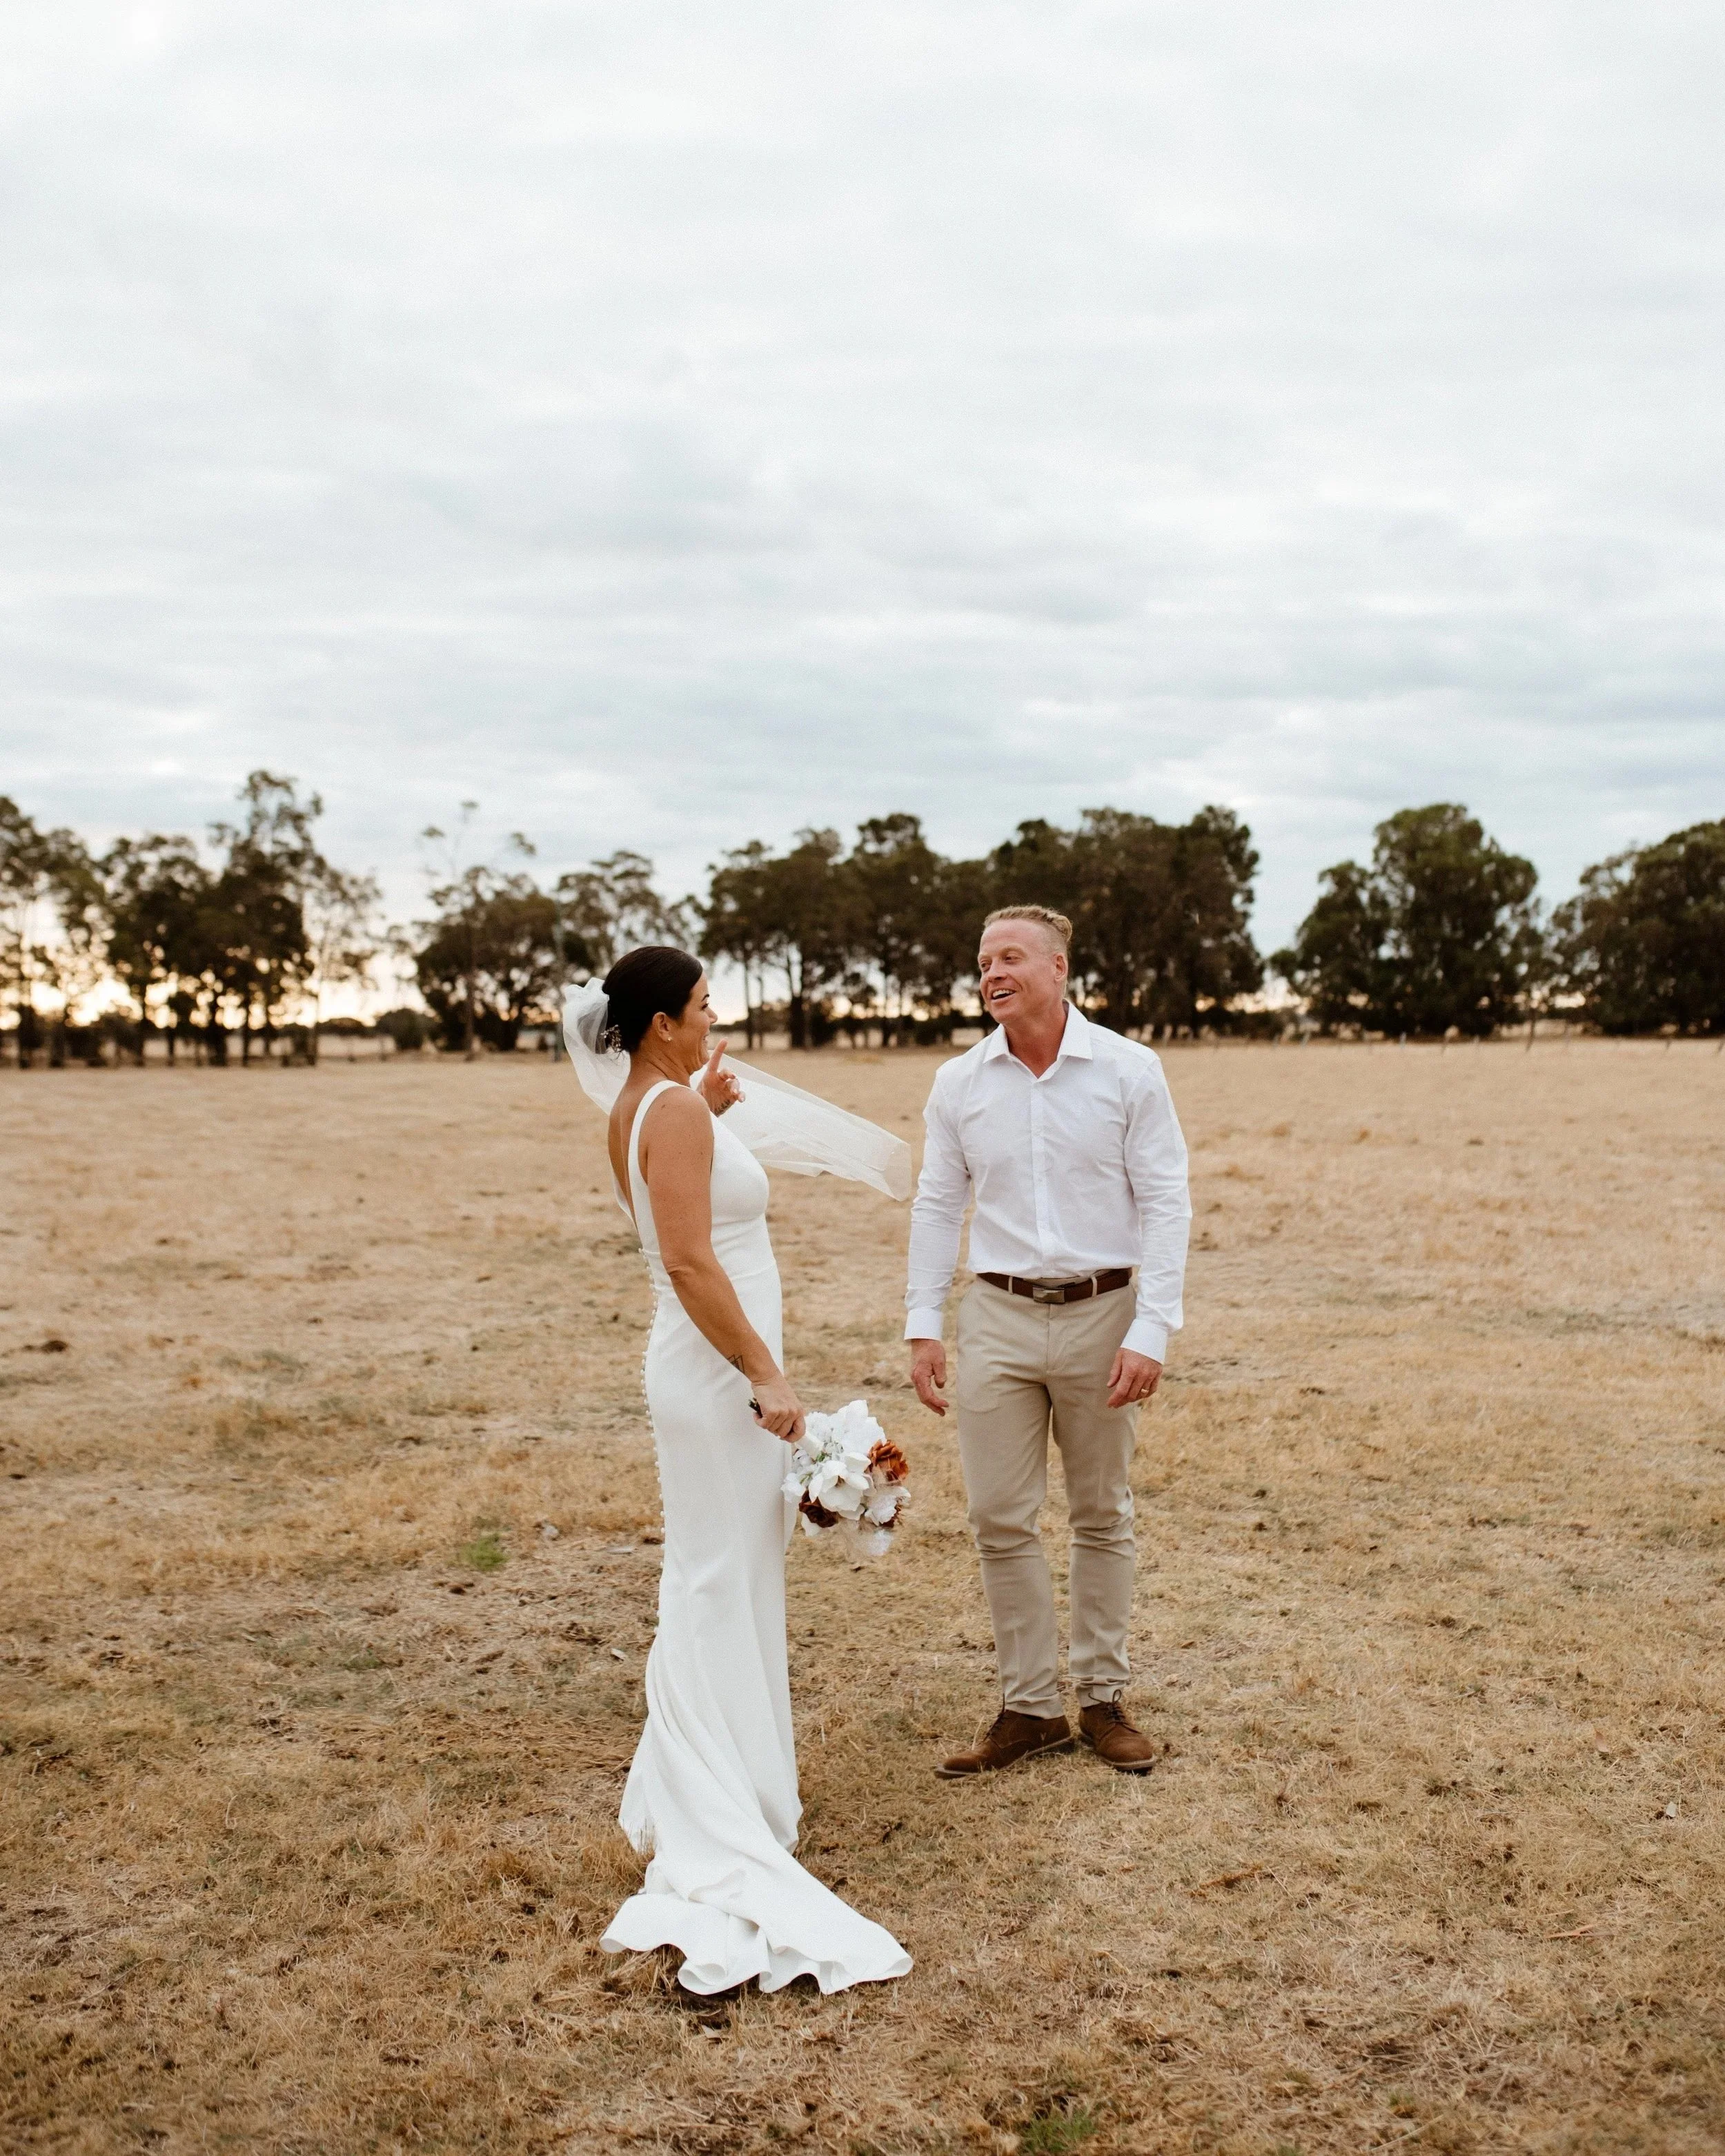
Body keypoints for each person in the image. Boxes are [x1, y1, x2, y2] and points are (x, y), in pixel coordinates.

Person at [571, 947, 911, 1996]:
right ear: (662, 1021)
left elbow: (685, 1203)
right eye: (703, 1004)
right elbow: (685, 1258)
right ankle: (718, 1807)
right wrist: (765, 1373)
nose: (715, 1016)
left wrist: (708, 1109)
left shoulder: (650, 1105)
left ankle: (707, 1776)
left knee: (715, 1572)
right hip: (720, 1377)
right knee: (722, 1577)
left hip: (703, 1370)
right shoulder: (667, 1114)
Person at [905, 907, 1191, 1778]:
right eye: (984, 959)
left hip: (1106, 1312)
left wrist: (1153, 1328)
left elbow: (1168, 1201)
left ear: (1059, 967)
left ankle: (1102, 1697)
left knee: (1101, 1512)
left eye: (1011, 957)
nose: (993, 971)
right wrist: (923, 1322)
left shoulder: (1129, 1071)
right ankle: (1029, 1708)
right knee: (998, 1515)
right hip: (995, 1313)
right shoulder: (959, 1082)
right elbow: (935, 1203)